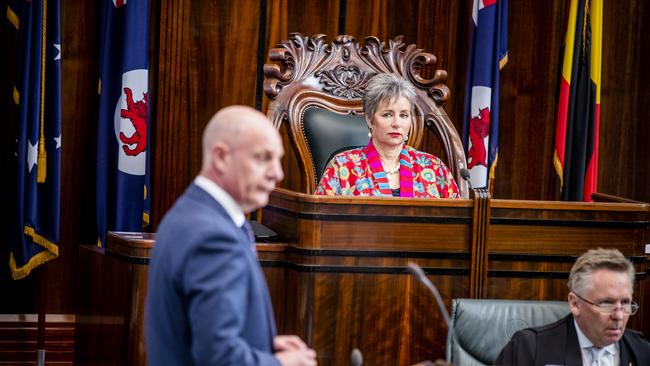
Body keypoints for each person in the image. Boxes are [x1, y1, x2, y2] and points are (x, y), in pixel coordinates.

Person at [145, 106, 317, 366]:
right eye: (263, 158)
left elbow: (198, 330)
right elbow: (219, 358)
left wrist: (264, 345)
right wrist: (283, 364)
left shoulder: (193, 211)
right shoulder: (213, 237)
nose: (277, 173)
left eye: (278, 159)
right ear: (221, 157)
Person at [495, 248, 650, 366]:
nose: (619, 316)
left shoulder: (641, 350)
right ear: (575, 303)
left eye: (625, 303)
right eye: (606, 303)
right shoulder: (529, 349)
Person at [314, 73, 459, 198]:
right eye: (387, 114)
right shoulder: (342, 166)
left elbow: (457, 222)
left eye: (403, 115)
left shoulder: (434, 168)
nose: (396, 123)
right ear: (370, 119)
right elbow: (319, 221)